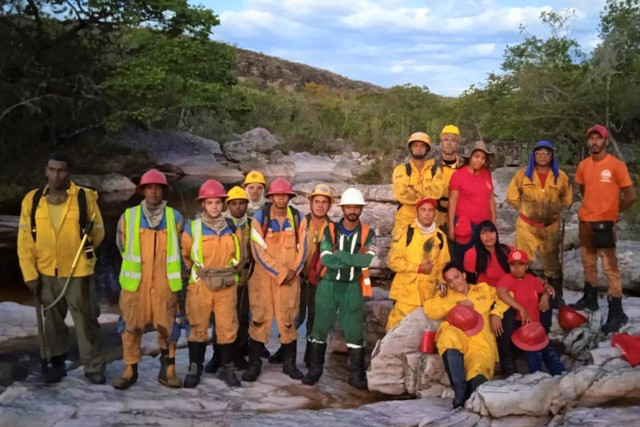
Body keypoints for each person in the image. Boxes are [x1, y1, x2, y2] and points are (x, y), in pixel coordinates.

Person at [17, 153, 106, 384]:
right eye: (52, 169)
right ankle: (56, 363)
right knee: (53, 322)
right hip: (46, 273)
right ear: (45, 171)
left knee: (86, 320)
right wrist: (30, 275)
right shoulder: (32, 200)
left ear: (69, 173)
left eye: (61, 170)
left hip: (79, 272)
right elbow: (25, 240)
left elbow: (97, 233)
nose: (56, 175)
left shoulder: (84, 198)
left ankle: (93, 366)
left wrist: (79, 252)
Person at [113, 169, 184, 390]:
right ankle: (130, 369)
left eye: (158, 187)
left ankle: (168, 369)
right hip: (135, 284)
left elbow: (185, 248)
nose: (154, 191)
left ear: (164, 190)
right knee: (130, 326)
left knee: (168, 327)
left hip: (165, 283)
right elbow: (121, 245)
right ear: (142, 190)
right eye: (149, 187)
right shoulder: (129, 216)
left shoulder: (176, 217)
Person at [303, 188, 376, 389]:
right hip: (328, 285)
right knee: (319, 327)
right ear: (342, 208)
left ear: (361, 209)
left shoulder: (369, 232)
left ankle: (356, 375)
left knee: (354, 331)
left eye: (356, 207)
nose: (352, 210)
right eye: (349, 206)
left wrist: (340, 254)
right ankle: (315, 369)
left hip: (352, 286)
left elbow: (367, 260)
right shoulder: (330, 230)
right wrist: (354, 260)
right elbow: (327, 259)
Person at [571, 125, 637, 333]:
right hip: (586, 222)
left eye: (598, 138)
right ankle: (590, 298)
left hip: (606, 224)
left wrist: (613, 213)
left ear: (605, 141)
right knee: (588, 261)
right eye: (591, 139)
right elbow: (583, 190)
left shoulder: (616, 165)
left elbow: (630, 196)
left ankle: (616, 309)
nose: (594, 142)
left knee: (610, 267)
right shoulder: (583, 166)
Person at [243, 178, 308, 382]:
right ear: (270, 197)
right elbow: (257, 251)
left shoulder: (298, 218)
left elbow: (304, 249)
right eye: (277, 195)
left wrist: (293, 271)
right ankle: (254, 364)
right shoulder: (259, 218)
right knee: (259, 318)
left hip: (290, 279)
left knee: (288, 319)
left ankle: (289, 364)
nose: (281, 198)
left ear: (289, 197)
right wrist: (281, 272)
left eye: (284, 195)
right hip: (262, 279)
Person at [181, 180, 243, 388]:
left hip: (227, 286)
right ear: (203, 205)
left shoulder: (232, 227)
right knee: (198, 327)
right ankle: (194, 368)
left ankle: (227, 368)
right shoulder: (193, 227)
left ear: (223, 204)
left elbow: (240, 255)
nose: (214, 206)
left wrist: (230, 271)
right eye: (210, 203)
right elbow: (185, 256)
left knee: (227, 327)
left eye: (218, 202)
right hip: (200, 286)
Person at [423, 261, 509, 408]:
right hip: (458, 336)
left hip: (480, 339)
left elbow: (507, 295)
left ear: (463, 275)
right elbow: (430, 309)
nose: (454, 283)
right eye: (449, 280)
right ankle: (459, 392)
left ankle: (473, 393)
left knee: (478, 371)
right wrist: (455, 305)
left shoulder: (482, 290)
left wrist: (496, 313)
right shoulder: (446, 295)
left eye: (456, 277)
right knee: (447, 335)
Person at [270, 183, 334, 367]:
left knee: (316, 320)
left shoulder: (333, 229)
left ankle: (312, 358)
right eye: (317, 201)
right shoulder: (299, 222)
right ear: (311, 203)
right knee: (292, 318)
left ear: (329, 205)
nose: (320, 205)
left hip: (320, 282)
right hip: (297, 278)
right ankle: (284, 352)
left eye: (324, 202)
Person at [507, 141, 573, 307]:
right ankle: (524, 295)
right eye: (539, 152)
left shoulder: (561, 177)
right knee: (521, 260)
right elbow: (512, 196)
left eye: (546, 153)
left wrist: (553, 210)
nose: (543, 156)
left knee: (553, 263)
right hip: (526, 226)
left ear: (551, 156)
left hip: (550, 227)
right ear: (533, 155)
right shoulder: (523, 175)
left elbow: (567, 199)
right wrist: (526, 209)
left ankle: (556, 298)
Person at [204, 185, 252, 374]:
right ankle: (218, 355)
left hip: (245, 278)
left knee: (241, 317)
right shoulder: (221, 224)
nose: (238, 207)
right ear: (227, 205)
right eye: (234, 203)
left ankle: (238, 353)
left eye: (242, 203)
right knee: (219, 319)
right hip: (224, 279)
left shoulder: (252, 224)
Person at [496, 250, 565, 376]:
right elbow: (501, 292)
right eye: (513, 264)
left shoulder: (531, 279)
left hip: (535, 326)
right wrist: (520, 308)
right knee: (533, 352)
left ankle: (562, 375)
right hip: (520, 325)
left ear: (526, 266)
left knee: (548, 351)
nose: (517, 268)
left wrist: (545, 295)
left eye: (520, 264)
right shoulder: (507, 279)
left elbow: (546, 289)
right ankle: (537, 378)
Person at [386, 197, 450, 331]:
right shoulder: (406, 232)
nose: (427, 213)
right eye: (423, 210)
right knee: (396, 330)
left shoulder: (440, 236)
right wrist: (418, 268)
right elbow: (393, 261)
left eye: (431, 210)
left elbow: (442, 265)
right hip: (407, 294)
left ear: (435, 213)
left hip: (429, 296)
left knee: (423, 334)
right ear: (417, 212)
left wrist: (442, 283)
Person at [448, 140, 496, 262]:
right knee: (463, 257)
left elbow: (490, 198)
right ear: (469, 156)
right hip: (465, 224)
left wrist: (494, 222)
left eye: (483, 158)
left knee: (482, 258)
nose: (479, 160)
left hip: (484, 224)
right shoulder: (458, 175)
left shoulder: (486, 174)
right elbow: (452, 202)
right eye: (476, 156)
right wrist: (451, 228)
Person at [391, 132, 443, 240]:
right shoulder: (401, 170)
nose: (418, 148)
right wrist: (426, 190)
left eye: (422, 146)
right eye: (415, 145)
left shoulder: (435, 171)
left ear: (427, 149)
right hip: (405, 224)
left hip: (428, 225)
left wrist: (412, 188)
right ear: (410, 148)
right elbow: (402, 194)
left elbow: (437, 192)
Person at [427, 124, 465, 230]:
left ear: (457, 144)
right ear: (441, 143)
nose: (449, 143)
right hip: (435, 216)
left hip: (459, 216)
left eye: (453, 140)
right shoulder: (430, 166)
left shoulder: (465, 167)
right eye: (446, 139)